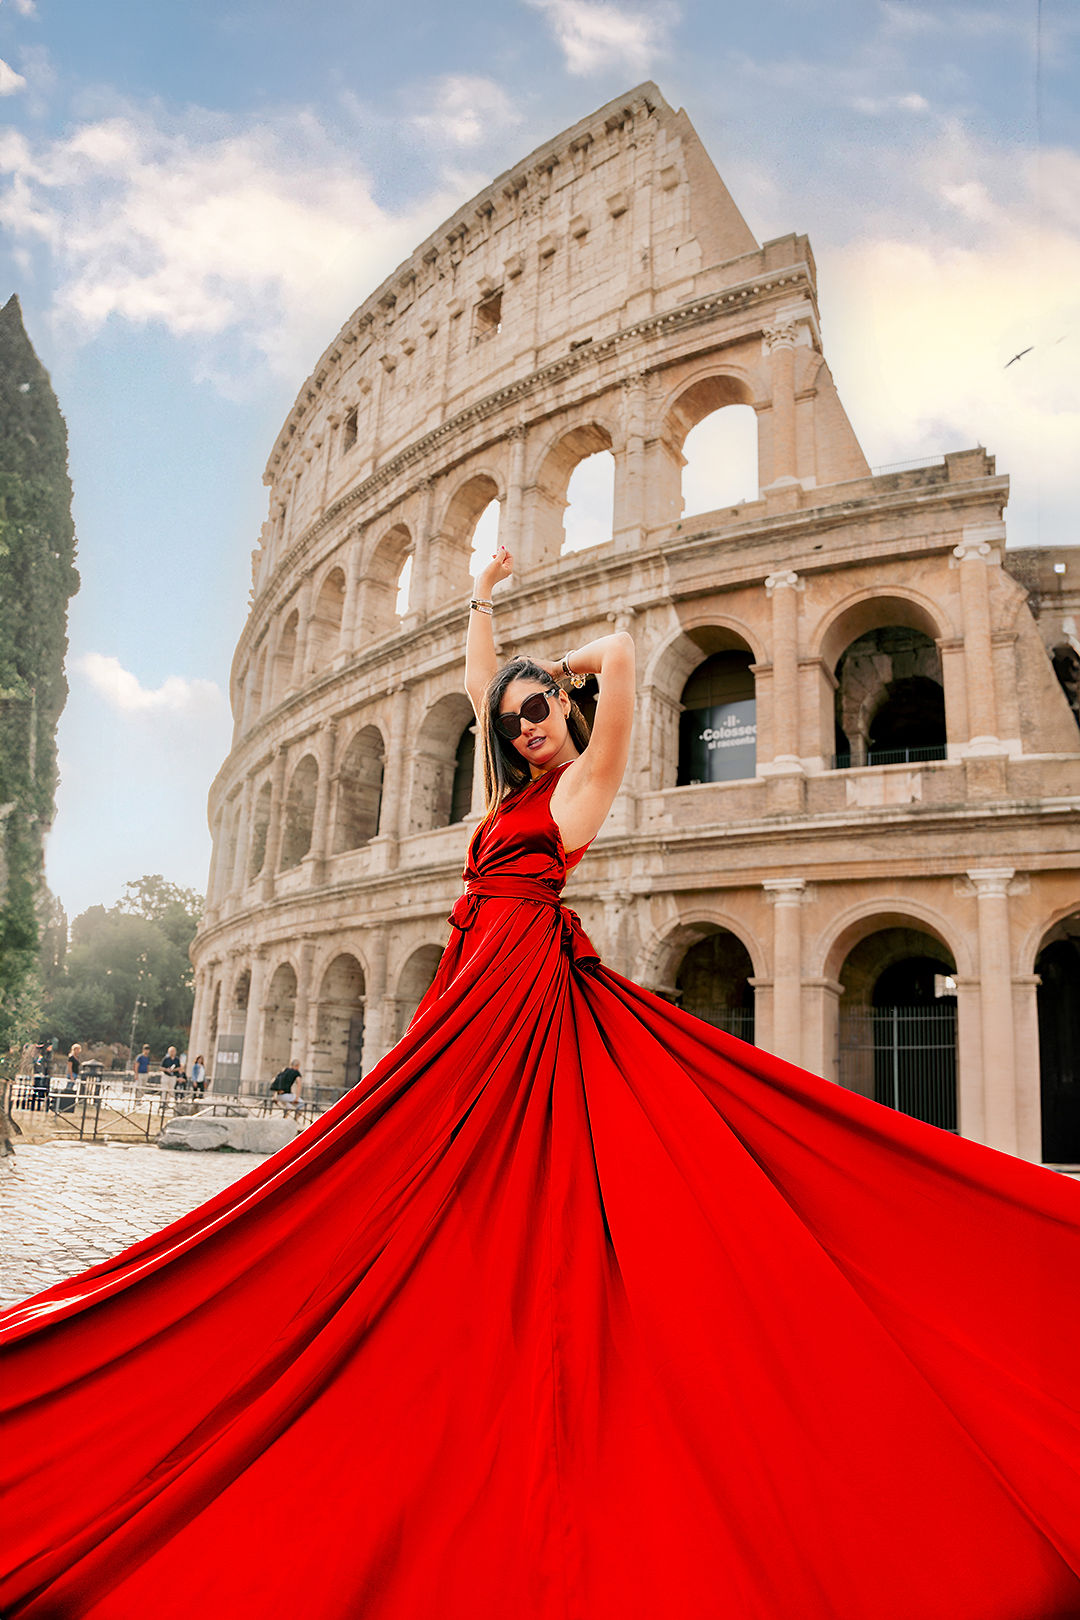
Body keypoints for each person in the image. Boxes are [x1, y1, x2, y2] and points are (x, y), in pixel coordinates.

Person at [3, 547, 1080, 1620]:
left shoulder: (580, 789)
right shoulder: (505, 787)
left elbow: (618, 647)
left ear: (567, 719)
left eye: (538, 715)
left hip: (518, 994)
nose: (524, 727)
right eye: (514, 720)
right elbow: (477, 685)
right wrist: (483, 606)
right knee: (393, 1170)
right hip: (469, 992)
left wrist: (556, 672)